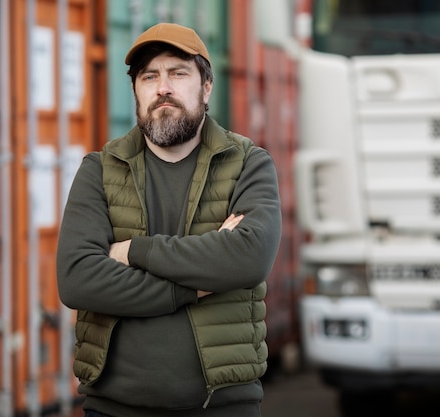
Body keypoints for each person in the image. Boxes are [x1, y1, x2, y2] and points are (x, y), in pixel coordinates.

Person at [56, 22, 281, 417]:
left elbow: (249, 257)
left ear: (206, 87)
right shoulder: (99, 170)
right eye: (150, 76)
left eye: (178, 73)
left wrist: (134, 251)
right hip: (114, 408)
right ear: (136, 91)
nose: (163, 87)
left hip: (224, 406)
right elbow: (78, 279)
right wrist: (194, 287)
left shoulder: (248, 163)